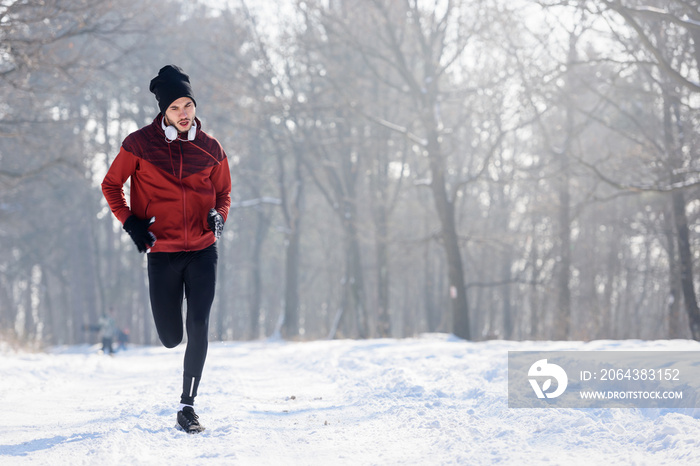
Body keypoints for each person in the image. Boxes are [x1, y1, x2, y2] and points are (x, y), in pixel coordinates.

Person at [101, 65, 231, 433]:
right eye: (175, 108)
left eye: (188, 104)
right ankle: (176, 355)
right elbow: (111, 185)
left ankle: (187, 406)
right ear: (164, 112)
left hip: (203, 251)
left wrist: (218, 216)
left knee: (200, 324)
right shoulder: (139, 144)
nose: (184, 113)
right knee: (172, 337)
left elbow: (223, 193)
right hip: (163, 253)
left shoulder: (211, 149)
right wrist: (131, 222)